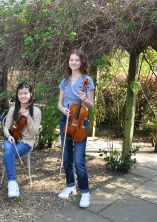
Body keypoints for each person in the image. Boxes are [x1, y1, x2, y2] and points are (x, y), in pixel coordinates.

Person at [57, 49, 95, 208]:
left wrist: (84, 98)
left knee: (79, 160)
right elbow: (59, 103)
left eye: (76, 60)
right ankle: (70, 186)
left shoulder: (88, 80)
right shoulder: (65, 81)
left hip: (80, 122)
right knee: (66, 157)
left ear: (82, 62)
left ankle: (85, 192)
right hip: (65, 120)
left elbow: (91, 107)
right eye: (71, 60)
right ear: (68, 62)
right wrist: (62, 109)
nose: (73, 62)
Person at [2, 82, 41, 198]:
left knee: (7, 154)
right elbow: (5, 127)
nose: (23, 96)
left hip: (26, 142)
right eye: (20, 94)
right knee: (9, 151)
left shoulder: (36, 111)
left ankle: (12, 183)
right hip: (12, 137)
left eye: (25, 93)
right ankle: (13, 183)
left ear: (31, 94)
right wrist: (8, 136)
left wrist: (28, 117)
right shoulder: (13, 109)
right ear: (17, 95)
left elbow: (34, 133)